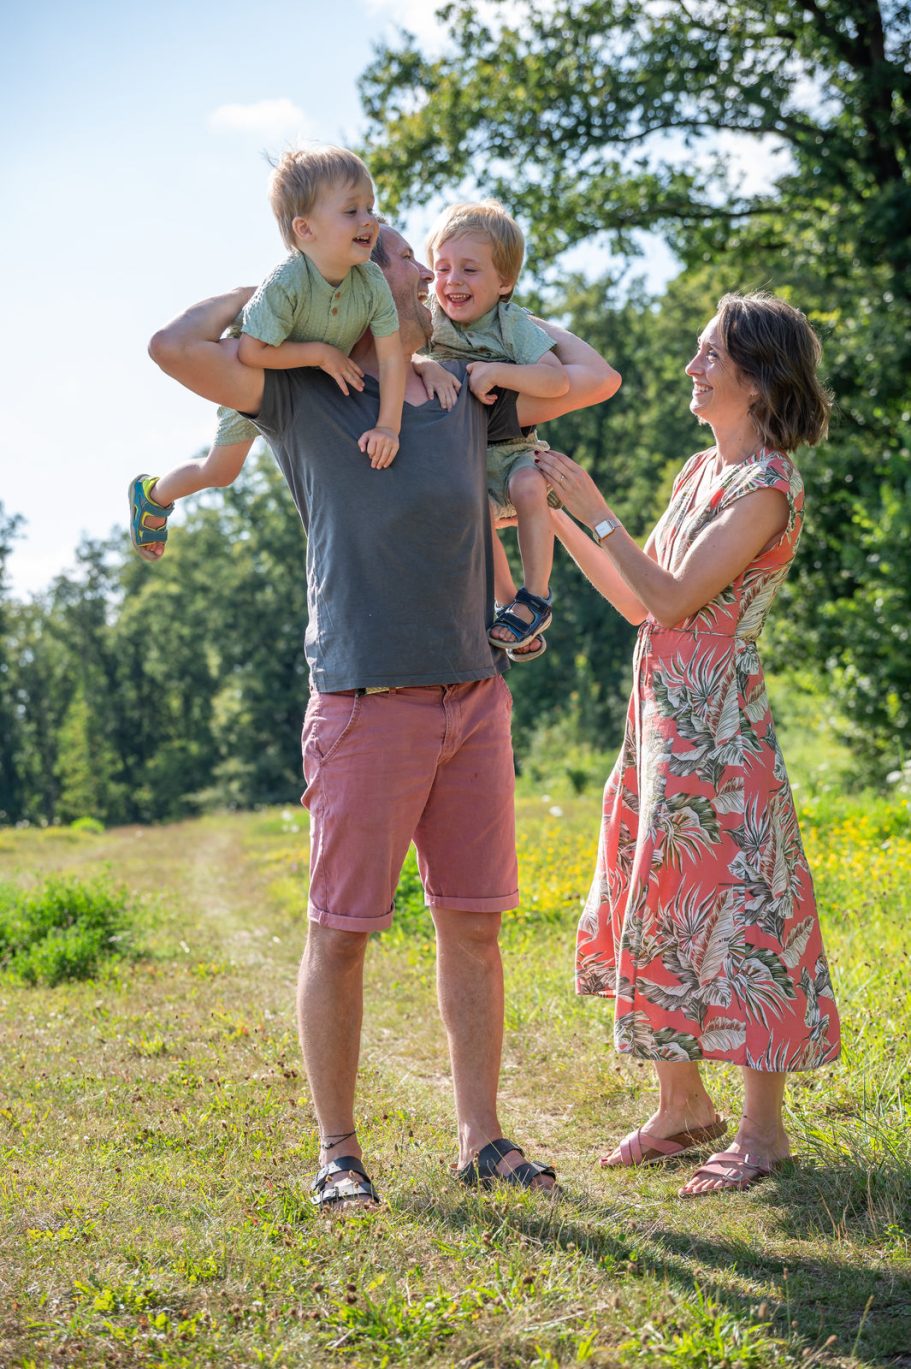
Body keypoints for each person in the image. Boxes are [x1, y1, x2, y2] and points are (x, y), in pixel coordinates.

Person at [147, 223, 621, 1209]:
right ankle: (338, 1151)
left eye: (400, 256)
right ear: (355, 277)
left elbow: (580, 379)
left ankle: (481, 1138)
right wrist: (274, 288)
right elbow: (172, 348)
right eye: (398, 257)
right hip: (364, 700)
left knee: (474, 929)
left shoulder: (462, 397)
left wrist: (495, 345)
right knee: (342, 932)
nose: (413, 271)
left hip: (472, 694)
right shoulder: (302, 394)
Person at [534, 292, 840, 1197]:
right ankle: (680, 1110)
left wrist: (590, 506)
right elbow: (636, 598)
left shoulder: (767, 485)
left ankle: (763, 1134)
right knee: (659, 895)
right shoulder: (695, 473)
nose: (691, 369)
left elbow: (674, 598)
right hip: (660, 717)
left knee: (745, 913)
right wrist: (553, 512)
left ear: (756, 377)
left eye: (709, 356)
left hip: (720, 732)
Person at [129, 146, 419, 562]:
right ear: (305, 229)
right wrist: (319, 353)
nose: (369, 220)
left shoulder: (370, 280)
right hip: (267, 360)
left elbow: (393, 357)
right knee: (221, 471)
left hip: (312, 382)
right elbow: (252, 351)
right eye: (351, 211)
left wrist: (388, 427)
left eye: (370, 207)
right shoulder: (288, 280)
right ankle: (152, 494)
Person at [421, 201, 569, 661]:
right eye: (442, 267)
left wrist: (498, 373)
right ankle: (509, 605)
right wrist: (426, 366)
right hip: (465, 459)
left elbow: (556, 380)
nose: (452, 281)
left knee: (528, 484)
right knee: (473, 509)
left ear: (503, 282)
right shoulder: (429, 319)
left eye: (469, 269)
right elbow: (396, 356)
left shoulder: (511, 323)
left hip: (513, 451)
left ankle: (536, 596)